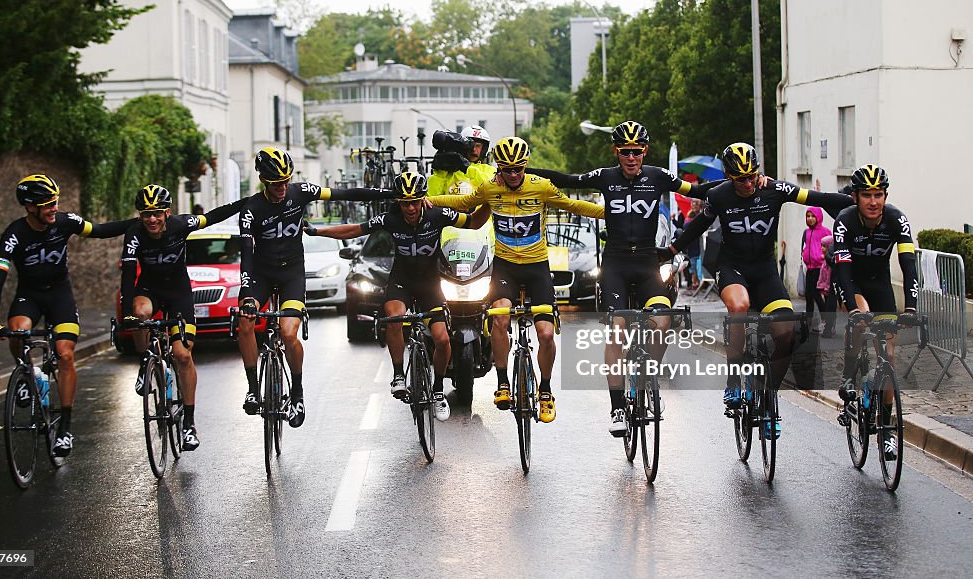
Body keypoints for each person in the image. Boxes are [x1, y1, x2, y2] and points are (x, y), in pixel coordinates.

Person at [528, 121, 719, 435]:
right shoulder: (606, 176)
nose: (631, 157)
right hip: (615, 264)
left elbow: (697, 191)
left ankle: (649, 375)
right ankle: (617, 407)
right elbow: (568, 180)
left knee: (661, 322)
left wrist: (743, 179)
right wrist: (525, 170)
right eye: (625, 152)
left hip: (647, 263)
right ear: (616, 152)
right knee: (617, 331)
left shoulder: (658, 176)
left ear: (644, 151)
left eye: (636, 151)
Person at [666, 143, 853, 436]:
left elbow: (817, 197)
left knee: (787, 331)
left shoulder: (774, 190)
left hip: (765, 271)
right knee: (739, 307)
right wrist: (668, 252)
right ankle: (733, 379)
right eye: (741, 178)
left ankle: (769, 398)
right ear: (729, 176)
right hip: (732, 268)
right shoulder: (718, 195)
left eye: (752, 175)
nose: (749, 183)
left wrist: (858, 203)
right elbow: (698, 226)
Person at [429, 136, 605, 423]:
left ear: (525, 166)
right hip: (505, 267)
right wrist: (425, 201)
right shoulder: (490, 187)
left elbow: (575, 207)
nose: (512, 175)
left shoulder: (541, 187)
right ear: (498, 167)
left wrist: (611, 214)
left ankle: (545, 392)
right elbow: (463, 202)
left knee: (546, 334)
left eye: (518, 169)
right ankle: (501, 382)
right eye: (506, 169)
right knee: (499, 318)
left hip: (537, 268)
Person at [307, 172, 485, 421]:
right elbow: (354, 231)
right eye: (404, 203)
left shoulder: (438, 215)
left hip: (430, 285)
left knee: (443, 340)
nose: (410, 208)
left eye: (414, 202)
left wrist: (490, 200)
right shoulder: (390, 219)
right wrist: (318, 232)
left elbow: (475, 223)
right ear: (398, 202)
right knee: (394, 317)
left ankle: (437, 391)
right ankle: (399, 374)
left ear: (423, 199)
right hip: (401, 282)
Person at [236, 147, 392, 426]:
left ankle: (297, 393)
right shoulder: (251, 209)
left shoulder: (300, 192)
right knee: (245, 322)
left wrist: (388, 193)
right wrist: (247, 294)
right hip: (261, 275)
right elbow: (246, 254)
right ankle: (252, 389)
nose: (282, 187)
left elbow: (345, 194)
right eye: (275, 183)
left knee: (287, 332)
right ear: (262, 179)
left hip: (292, 275)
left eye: (286, 180)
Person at [0, 174, 135, 458]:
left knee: (65, 354)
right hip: (29, 295)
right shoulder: (14, 234)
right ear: (30, 208)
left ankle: (65, 428)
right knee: (17, 332)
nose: (54, 208)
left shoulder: (65, 221)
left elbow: (100, 230)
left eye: (55, 202)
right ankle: (30, 374)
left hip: (60, 295)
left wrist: (136, 222)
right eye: (47, 205)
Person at [121, 184, 246, 450]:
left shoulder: (181, 225)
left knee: (182, 355)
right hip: (149, 290)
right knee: (140, 313)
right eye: (145, 214)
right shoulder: (134, 233)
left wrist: (244, 203)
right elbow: (128, 273)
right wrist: (128, 314)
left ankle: (189, 424)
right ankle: (146, 360)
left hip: (179, 293)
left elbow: (212, 216)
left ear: (167, 213)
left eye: (156, 213)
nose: (151, 219)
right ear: (140, 216)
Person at [831, 165, 919, 460]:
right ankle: (847, 376)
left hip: (880, 283)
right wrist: (853, 308)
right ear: (855, 196)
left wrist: (911, 308)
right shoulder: (845, 221)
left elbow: (909, 264)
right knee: (861, 316)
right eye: (866, 195)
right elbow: (842, 267)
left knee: (889, 357)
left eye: (878, 195)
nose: (873, 201)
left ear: (885, 196)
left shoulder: (897, 219)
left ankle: (888, 428)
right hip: (850, 281)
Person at [427, 125, 495, 196]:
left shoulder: (489, 170)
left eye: (477, 146)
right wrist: (440, 173)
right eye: (470, 145)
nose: (473, 149)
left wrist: (466, 168)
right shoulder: (450, 170)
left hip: (478, 207)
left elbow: (490, 188)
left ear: (484, 149)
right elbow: (431, 197)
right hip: (450, 206)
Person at [801, 207, 832, 332]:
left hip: (821, 268)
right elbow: (806, 246)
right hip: (810, 267)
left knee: (818, 295)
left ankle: (826, 322)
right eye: (808, 216)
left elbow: (830, 248)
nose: (810, 219)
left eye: (813, 216)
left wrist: (822, 256)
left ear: (818, 217)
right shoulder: (807, 232)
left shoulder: (825, 231)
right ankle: (808, 323)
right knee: (809, 295)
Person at [817, 234, 836, 338]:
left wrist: (827, 286)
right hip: (825, 287)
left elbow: (829, 276)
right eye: (822, 246)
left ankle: (830, 327)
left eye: (824, 246)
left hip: (829, 287)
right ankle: (829, 326)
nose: (822, 248)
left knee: (830, 307)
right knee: (828, 305)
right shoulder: (825, 260)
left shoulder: (830, 260)